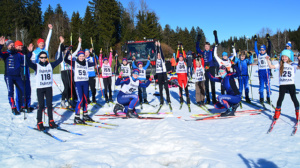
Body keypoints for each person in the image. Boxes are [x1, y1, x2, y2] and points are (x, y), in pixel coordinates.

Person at [26, 37, 64, 131]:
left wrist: (61, 45)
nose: (43, 59)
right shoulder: (37, 66)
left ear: (46, 58)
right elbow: (27, 62)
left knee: (50, 105)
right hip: (40, 88)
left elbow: (60, 59)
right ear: (39, 58)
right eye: (41, 57)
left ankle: (51, 121)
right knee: (41, 105)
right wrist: (29, 53)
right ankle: (39, 122)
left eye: (44, 57)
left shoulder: (50, 65)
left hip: (48, 88)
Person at [266, 50, 299, 121]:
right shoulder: (280, 64)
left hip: (291, 84)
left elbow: (299, 67)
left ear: (288, 57)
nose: (284, 58)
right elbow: (271, 66)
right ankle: (277, 113)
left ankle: (298, 114)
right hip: (282, 84)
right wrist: (268, 60)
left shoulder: (292, 64)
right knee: (280, 98)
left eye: (285, 57)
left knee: (294, 98)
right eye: (283, 57)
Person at [64, 50, 95, 124]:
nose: (81, 57)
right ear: (78, 56)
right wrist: (68, 52)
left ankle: (85, 114)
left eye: (83, 56)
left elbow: (94, 63)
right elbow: (65, 60)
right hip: (78, 83)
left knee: (85, 99)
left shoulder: (87, 63)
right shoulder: (74, 63)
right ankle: (77, 117)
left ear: (85, 56)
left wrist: (93, 54)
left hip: (85, 83)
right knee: (80, 99)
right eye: (80, 56)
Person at [0, 37, 25, 115]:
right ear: (7, 46)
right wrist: (0, 45)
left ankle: (21, 106)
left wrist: (27, 52)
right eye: (10, 45)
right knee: (11, 92)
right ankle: (13, 108)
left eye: (13, 44)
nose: (12, 46)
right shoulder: (6, 54)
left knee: (22, 90)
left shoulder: (18, 54)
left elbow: (25, 58)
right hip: (9, 76)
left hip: (17, 76)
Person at [196, 30, 218, 104]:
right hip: (206, 70)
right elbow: (197, 49)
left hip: (211, 68)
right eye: (205, 46)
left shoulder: (212, 51)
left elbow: (216, 44)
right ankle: (208, 99)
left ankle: (214, 99)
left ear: (209, 46)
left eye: (207, 46)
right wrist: (198, 40)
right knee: (206, 85)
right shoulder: (203, 52)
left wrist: (215, 36)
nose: (206, 47)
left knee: (213, 85)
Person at [59, 37, 81, 108]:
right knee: (66, 87)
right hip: (64, 72)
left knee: (71, 86)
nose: (67, 51)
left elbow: (77, 50)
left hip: (70, 71)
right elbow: (59, 50)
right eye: (66, 49)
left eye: (68, 49)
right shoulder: (61, 56)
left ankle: (69, 100)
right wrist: (61, 43)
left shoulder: (70, 56)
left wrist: (79, 42)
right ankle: (62, 100)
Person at [14, 40, 33, 112]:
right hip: (19, 74)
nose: (20, 47)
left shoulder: (24, 53)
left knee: (27, 89)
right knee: (19, 91)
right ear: (16, 47)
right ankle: (19, 106)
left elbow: (27, 58)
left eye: (21, 46)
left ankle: (27, 105)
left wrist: (29, 52)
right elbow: (19, 59)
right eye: (18, 46)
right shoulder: (15, 53)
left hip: (26, 73)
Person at [254, 34, 272, 104]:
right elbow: (255, 48)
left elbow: (269, 47)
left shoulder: (267, 54)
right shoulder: (258, 55)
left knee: (267, 85)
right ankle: (261, 98)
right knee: (261, 85)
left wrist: (268, 40)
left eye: (263, 50)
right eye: (261, 50)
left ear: (265, 50)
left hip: (266, 71)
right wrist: (255, 40)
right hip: (260, 71)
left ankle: (268, 98)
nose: (262, 51)